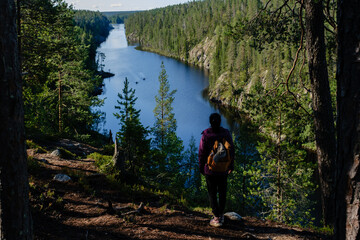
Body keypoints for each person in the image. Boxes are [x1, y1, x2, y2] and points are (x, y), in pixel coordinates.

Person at [198, 113, 235, 227]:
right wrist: (230, 166)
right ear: (220, 121)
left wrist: (201, 167)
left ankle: (216, 217)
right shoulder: (226, 133)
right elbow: (232, 150)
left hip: (210, 170)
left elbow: (202, 153)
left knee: (212, 193)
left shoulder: (206, 134)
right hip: (223, 169)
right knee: (222, 192)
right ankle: (221, 214)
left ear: (210, 122)